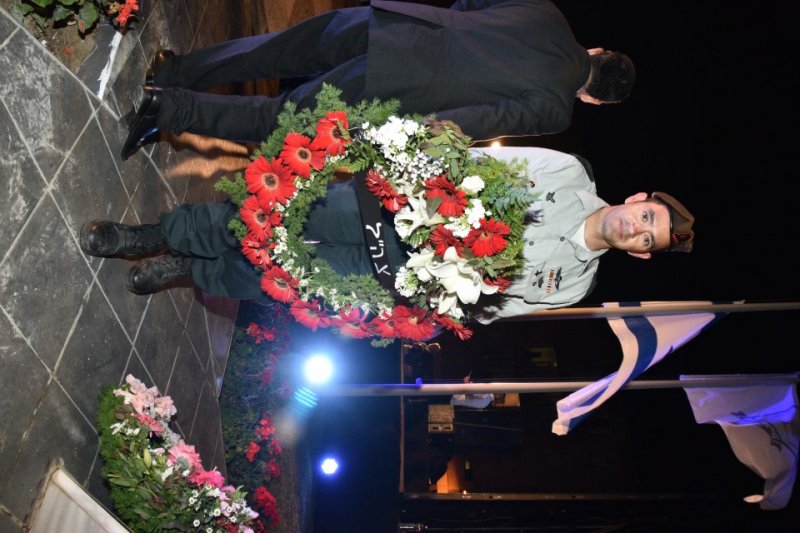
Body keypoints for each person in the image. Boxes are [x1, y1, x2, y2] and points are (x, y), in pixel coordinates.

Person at [79, 147, 695, 324]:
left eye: (648, 240)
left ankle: (186, 270)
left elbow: (494, 310)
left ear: (640, 256)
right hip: (396, 214)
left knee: (278, 277)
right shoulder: (570, 175)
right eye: (647, 217)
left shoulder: (575, 286)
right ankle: (147, 236)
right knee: (272, 220)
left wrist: (441, 300)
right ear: (636, 200)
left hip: (397, 276)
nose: (637, 230)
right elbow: (483, 163)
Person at [121, 0, 635, 159]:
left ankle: (175, 70)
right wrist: (414, 132)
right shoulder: (555, 108)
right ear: (593, 100)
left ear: (597, 50)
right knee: (282, 120)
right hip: (402, 83)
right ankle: (168, 109)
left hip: (396, 24)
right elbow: (477, 120)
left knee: (278, 50)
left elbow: (472, 5)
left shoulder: (549, 13)